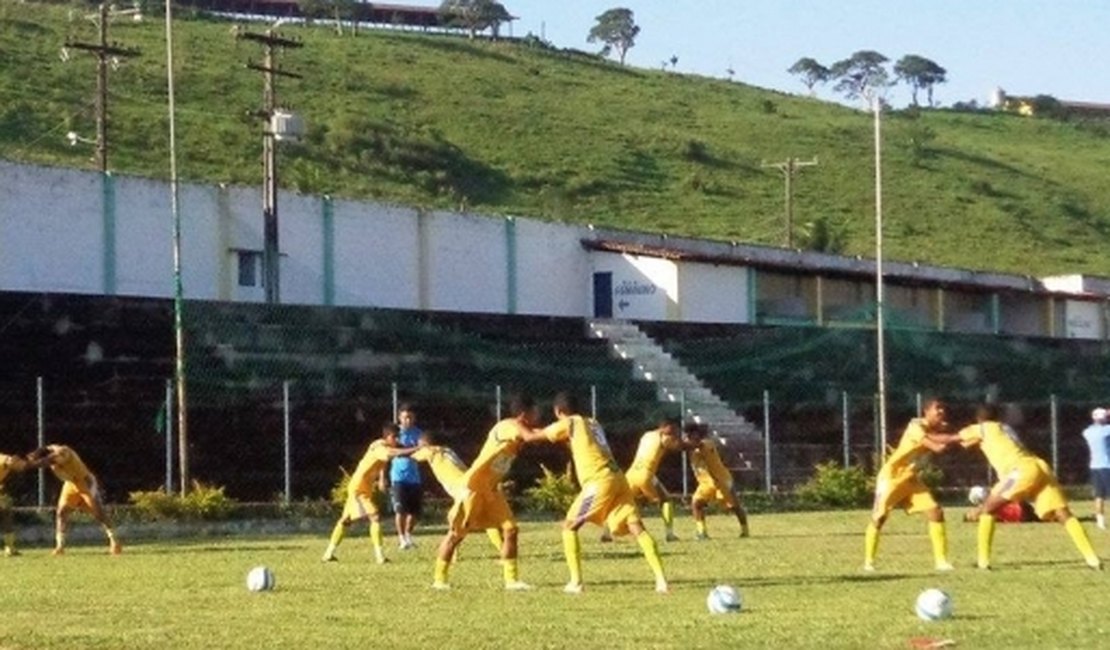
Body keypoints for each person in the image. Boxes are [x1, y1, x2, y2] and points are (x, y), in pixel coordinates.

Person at [540, 391, 669, 594]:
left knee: (569, 526)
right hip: (618, 478)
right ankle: (661, 581)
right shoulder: (593, 423)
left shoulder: (571, 421)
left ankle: (576, 582)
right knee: (636, 527)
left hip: (599, 481)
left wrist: (520, 433)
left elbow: (542, 435)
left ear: (558, 411)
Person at [946, 403, 1100, 570]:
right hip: (1039, 466)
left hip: (1019, 470)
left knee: (988, 509)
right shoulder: (1004, 428)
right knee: (1062, 514)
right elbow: (967, 443)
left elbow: (950, 440)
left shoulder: (982, 428)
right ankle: (1092, 559)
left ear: (978, 418)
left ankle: (983, 562)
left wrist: (924, 435)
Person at [432, 394, 546, 591]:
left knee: (510, 529)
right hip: (473, 489)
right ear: (523, 414)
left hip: (491, 490)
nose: (538, 415)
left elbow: (532, 434)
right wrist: (563, 431)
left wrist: (559, 432)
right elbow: (530, 436)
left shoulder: (518, 430)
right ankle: (439, 580)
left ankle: (511, 581)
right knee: (456, 535)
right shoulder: (508, 426)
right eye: (535, 411)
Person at [863, 399, 953, 572]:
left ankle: (941, 562)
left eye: (943, 408)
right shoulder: (916, 426)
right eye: (937, 408)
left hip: (911, 479)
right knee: (879, 517)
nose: (941, 411)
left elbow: (941, 439)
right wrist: (953, 439)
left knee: (935, 511)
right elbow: (934, 445)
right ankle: (869, 562)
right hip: (892, 477)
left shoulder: (936, 428)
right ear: (926, 411)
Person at [322, 423, 416, 564]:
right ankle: (379, 556)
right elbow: (391, 454)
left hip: (361, 487)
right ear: (389, 436)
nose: (397, 440)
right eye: (395, 437)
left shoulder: (382, 444)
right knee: (375, 516)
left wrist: (382, 478)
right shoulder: (380, 448)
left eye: (398, 437)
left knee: (345, 521)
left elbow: (391, 455)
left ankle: (328, 554)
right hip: (359, 489)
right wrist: (415, 449)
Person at [410, 431, 503, 556]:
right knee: (485, 519)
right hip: (472, 484)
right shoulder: (447, 451)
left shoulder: (431, 451)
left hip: (462, 490)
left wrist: (399, 449)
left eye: (419, 443)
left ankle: (452, 553)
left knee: (456, 522)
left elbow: (412, 456)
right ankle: (502, 550)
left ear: (425, 443)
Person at [26, 445, 121, 556]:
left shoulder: (63, 452)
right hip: (71, 484)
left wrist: (29, 464)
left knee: (98, 513)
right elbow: (48, 449)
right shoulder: (51, 452)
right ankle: (59, 546)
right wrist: (36, 453)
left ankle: (114, 541)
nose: (52, 459)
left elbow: (47, 460)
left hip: (86, 482)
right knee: (61, 512)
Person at [603, 417, 684, 542]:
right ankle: (669, 534)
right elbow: (677, 446)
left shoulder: (647, 435)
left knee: (619, 501)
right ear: (665, 427)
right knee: (666, 500)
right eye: (673, 429)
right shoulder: (664, 437)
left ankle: (606, 534)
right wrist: (693, 444)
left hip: (632, 473)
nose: (674, 432)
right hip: (646, 474)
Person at [683, 423, 749, 540]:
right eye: (687, 435)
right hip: (710, 482)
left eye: (690, 435)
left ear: (696, 435)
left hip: (719, 481)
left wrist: (685, 444)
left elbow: (699, 445)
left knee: (733, 506)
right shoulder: (692, 446)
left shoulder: (706, 444)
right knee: (698, 504)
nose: (687, 438)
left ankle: (744, 530)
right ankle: (702, 532)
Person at [388, 404, 424, 550]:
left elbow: (424, 448)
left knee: (414, 512)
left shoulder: (418, 433)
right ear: (399, 418)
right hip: (398, 478)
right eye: (404, 417)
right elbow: (393, 451)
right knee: (400, 510)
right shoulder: (394, 434)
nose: (407, 420)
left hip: (414, 478)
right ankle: (401, 538)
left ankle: (408, 535)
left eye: (410, 417)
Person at [1081, 407, 1110, 530]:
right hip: (1107, 466)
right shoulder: (1106, 431)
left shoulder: (1087, 432)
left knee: (1099, 495)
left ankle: (1100, 521)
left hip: (1094, 466)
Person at [0, 452, 30, 556]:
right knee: (6, 513)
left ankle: (10, 548)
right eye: (19, 465)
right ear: (14, 459)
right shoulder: (2, 461)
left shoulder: (7, 465)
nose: (20, 468)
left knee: (6, 513)